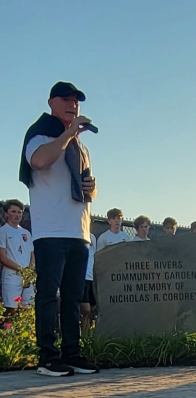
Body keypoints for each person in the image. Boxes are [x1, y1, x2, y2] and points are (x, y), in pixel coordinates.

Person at [19, 81, 99, 376]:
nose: (72, 105)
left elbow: (89, 186)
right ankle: (47, 357)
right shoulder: (40, 135)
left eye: (76, 100)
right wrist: (69, 133)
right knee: (48, 295)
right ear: (51, 102)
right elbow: (39, 161)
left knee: (73, 298)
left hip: (78, 231)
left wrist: (93, 187)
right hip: (51, 231)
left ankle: (72, 353)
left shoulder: (81, 146)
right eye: (65, 99)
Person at [0, 200, 35, 316]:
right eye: (13, 211)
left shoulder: (27, 233)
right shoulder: (3, 231)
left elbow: (32, 255)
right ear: (6, 214)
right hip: (11, 276)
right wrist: (21, 270)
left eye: (19, 212)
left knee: (27, 310)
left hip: (27, 277)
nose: (17, 215)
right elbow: (2, 257)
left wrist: (29, 272)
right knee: (11, 311)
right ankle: (7, 333)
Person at [80, 233, 96, 336]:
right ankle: (83, 337)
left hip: (92, 278)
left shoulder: (93, 237)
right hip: (82, 277)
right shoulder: (77, 234)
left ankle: (88, 337)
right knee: (86, 309)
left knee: (93, 309)